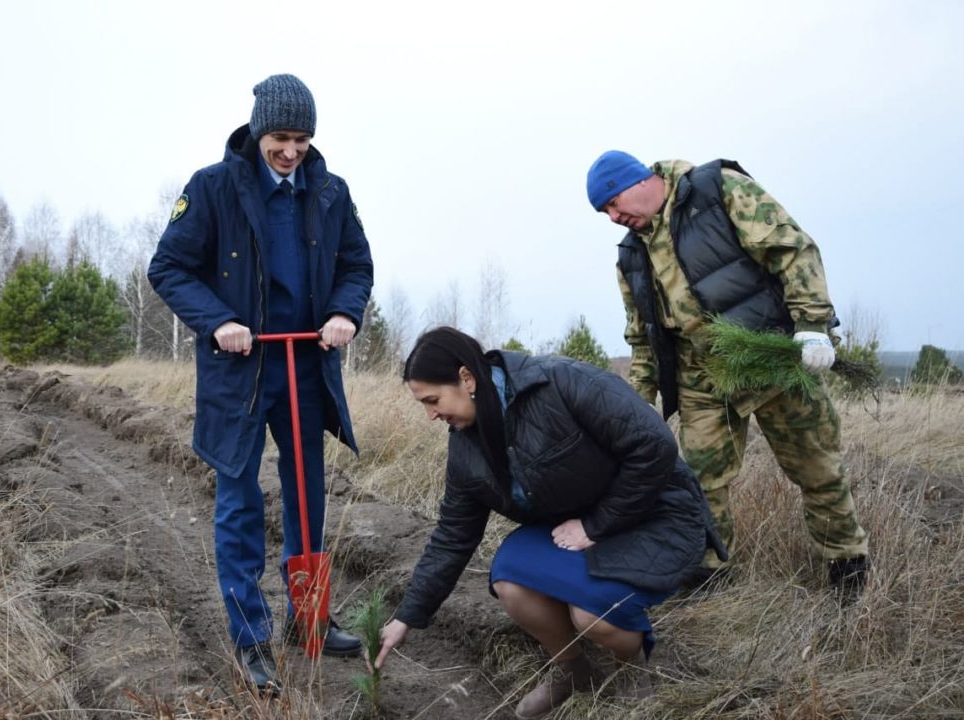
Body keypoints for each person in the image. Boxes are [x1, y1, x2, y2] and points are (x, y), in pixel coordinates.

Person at [147, 73, 373, 695]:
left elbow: (356, 264)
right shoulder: (213, 188)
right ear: (256, 130)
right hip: (240, 376)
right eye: (280, 137)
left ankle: (310, 619)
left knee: (308, 498)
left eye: (302, 139)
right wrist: (219, 321)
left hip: (305, 366)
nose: (291, 151)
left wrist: (344, 315)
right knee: (241, 503)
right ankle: (250, 637)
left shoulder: (330, 192)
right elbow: (167, 267)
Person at [373, 327, 726, 718]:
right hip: (580, 529)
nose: (431, 415)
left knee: (590, 614)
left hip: (654, 514)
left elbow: (655, 445)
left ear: (467, 379)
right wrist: (407, 616)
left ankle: (630, 670)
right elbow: (454, 535)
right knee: (509, 577)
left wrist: (595, 525)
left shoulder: (560, 382)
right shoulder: (465, 449)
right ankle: (575, 671)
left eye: (433, 400)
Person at [585, 150, 869, 595]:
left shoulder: (715, 192)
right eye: (605, 213)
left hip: (769, 359)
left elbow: (791, 248)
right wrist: (635, 407)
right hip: (700, 378)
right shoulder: (631, 255)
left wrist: (813, 325)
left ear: (638, 181)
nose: (613, 217)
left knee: (818, 470)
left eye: (613, 204)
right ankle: (708, 574)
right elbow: (641, 338)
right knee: (700, 482)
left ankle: (846, 568)